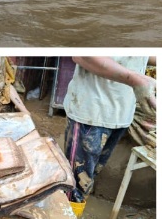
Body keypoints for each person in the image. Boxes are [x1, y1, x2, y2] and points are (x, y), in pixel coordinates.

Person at [63, 56, 156, 204]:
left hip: (121, 114)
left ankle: (76, 213)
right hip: (91, 111)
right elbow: (82, 55)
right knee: (76, 183)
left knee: (91, 175)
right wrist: (136, 80)